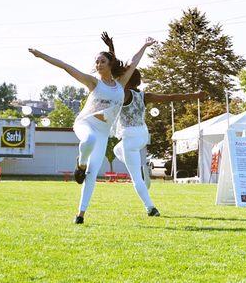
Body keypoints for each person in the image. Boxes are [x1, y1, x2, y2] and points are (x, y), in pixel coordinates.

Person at [29, 37, 155, 224]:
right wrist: (40, 55)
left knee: (93, 173)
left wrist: (144, 45)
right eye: (96, 61)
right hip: (85, 124)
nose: (98, 64)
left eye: (102, 61)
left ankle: (80, 214)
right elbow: (66, 66)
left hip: (103, 132)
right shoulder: (93, 83)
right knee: (88, 141)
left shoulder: (120, 84)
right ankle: (80, 165)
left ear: (110, 64)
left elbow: (134, 61)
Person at [101, 32, 204, 217]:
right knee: (117, 151)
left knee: (136, 180)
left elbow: (117, 68)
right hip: (142, 135)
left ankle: (151, 208)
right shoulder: (144, 96)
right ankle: (142, 168)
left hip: (130, 138)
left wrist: (111, 49)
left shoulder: (120, 93)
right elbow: (171, 97)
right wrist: (195, 95)